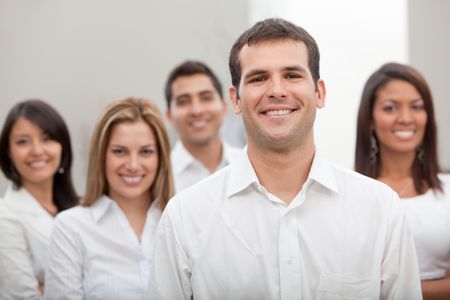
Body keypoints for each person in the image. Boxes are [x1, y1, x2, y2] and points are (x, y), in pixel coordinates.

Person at [149, 18, 422, 299]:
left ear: (320, 92)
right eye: (258, 78)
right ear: (235, 99)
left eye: (292, 75)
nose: (277, 90)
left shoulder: (380, 209)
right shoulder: (185, 216)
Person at [45, 98, 174, 299]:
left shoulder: (180, 220)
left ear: (160, 157)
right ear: (101, 155)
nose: (133, 164)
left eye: (146, 152)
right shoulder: (71, 228)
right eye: (119, 151)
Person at [355, 62, 450, 299]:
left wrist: (390, 292)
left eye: (417, 107)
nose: (406, 118)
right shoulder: (350, 193)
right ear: (370, 119)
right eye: (390, 108)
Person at [0, 99, 78, 299]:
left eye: (47, 138)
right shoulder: (5, 216)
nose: (37, 151)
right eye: (22, 142)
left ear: (62, 146)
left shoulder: (81, 206)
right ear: (8, 152)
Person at [165, 60, 242, 192]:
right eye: (183, 101)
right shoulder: (159, 177)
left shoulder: (250, 166)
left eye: (206, 98)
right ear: (169, 116)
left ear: (224, 107)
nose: (197, 110)